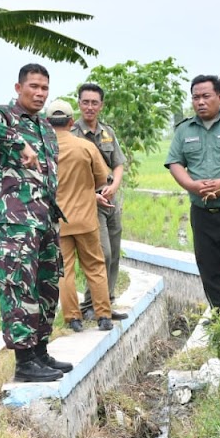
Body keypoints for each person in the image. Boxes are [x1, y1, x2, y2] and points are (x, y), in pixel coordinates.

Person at [0, 64, 72, 383]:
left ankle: (40, 351)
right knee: (18, 285)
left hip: (44, 220)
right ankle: (24, 360)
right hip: (16, 222)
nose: (39, 93)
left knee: (46, 284)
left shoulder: (45, 126)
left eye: (45, 87)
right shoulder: (5, 116)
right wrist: (18, 143)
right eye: (33, 86)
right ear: (18, 88)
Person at [165, 75, 220, 311]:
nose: (200, 102)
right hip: (202, 214)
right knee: (212, 273)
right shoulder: (184, 129)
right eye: (195, 97)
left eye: (206, 96)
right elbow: (174, 162)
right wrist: (192, 185)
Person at [47, 99, 115, 333]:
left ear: (47, 123)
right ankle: (103, 316)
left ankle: (73, 319)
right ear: (70, 121)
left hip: (58, 221)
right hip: (86, 219)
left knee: (65, 270)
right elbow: (102, 179)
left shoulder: (42, 148)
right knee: (95, 266)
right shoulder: (85, 146)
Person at [71, 83, 128, 322]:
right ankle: (91, 305)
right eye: (86, 102)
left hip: (111, 199)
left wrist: (113, 187)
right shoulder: (72, 134)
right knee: (100, 253)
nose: (90, 107)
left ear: (101, 105)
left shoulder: (107, 132)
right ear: (79, 103)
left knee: (113, 253)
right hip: (89, 201)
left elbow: (119, 163)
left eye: (95, 103)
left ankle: (106, 302)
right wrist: (92, 194)